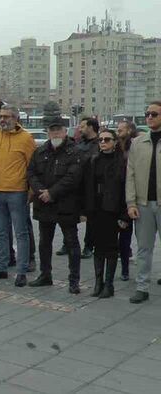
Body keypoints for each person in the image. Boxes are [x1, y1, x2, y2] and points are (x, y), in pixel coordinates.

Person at [26, 111, 84, 294]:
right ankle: (45, 275)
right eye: (52, 130)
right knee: (45, 242)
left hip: (66, 205)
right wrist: (40, 191)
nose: (56, 133)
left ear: (65, 131)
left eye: (59, 130)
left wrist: (52, 193)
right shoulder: (40, 151)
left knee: (72, 243)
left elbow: (73, 177)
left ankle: (74, 280)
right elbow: (31, 173)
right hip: (44, 204)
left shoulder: (74, 151)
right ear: (48, 132)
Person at [0, 105, 36, 286]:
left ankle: (21, 271)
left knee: (21, 233)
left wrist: (30, 192)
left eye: (7, 116)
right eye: (1, 116)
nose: (3, 120)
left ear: (16, 119)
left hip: (17, 192)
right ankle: (1, 267)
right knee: (1, 232)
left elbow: (32, 167)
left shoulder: (26, 139)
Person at [83, 129, 127, 299]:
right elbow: (87, 186)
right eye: (101, 139)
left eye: (107, 139)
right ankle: (98, 282)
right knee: (97, 247)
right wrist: (86, 210)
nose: (103, 142)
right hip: (96, 209)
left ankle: (109, 284)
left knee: (110, 248)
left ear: (115, 142)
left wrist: (124, 215)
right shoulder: (94, 160)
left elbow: (125, 190)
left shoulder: (122, 162)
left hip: (112, 210)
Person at [125, 101, 161, 304]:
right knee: (144, 248)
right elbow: (130, 174)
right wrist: (131, 203)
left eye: (154, 114)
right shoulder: (138, 143)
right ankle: (142, 286)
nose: (149, 117)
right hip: (144, 204)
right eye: (147, 113)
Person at [74, 116, 100, 260]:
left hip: (92, 186)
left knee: (91, 217)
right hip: (78, 185)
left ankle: (89, 246)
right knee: (71, 214)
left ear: (90, 127)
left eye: (83, 126)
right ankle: (68, 243)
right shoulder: (79, 144)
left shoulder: (99, 143)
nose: (80, 128)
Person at [116, 120, 138, 280]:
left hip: (140, 196)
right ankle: (125, 269)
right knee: (124, 236)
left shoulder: (136, 147)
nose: (118, 132)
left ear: (129, 130)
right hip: (123, 199)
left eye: (121, 130)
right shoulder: (118, 147)